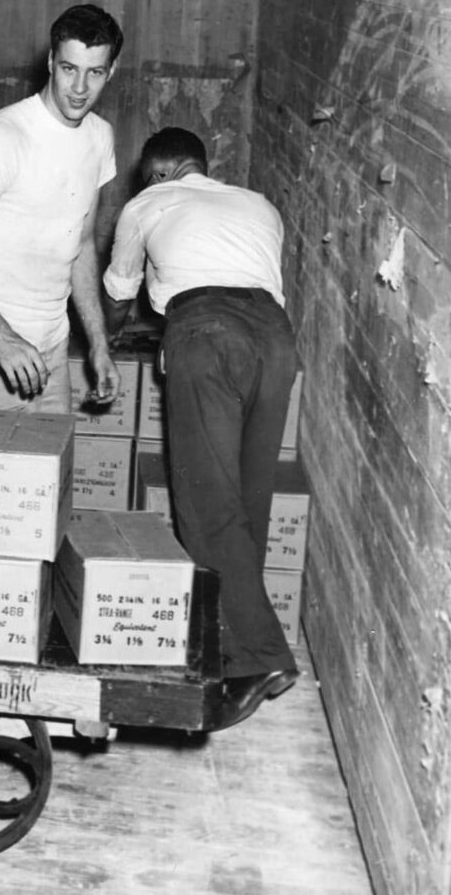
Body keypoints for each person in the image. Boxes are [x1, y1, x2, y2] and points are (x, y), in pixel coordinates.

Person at [103, 127, 299, 728]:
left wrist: (106, 343)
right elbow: (253, 280)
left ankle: (257, 659)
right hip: (275, 341)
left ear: (159, 174)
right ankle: (226, 641)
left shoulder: (145, 204)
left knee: (206, 503)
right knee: (247, 499)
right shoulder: (259, 204)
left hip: (205, 334)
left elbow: (118, 289)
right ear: (203, 167)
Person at [0, 3, 124, 438]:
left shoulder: (99, 137)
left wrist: (97, 343)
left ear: (111, 71)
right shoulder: (3, 138)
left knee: (44, 490)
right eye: (69, 68)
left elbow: (83, 246)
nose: (79, 87)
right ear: (50, 62)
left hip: (52, 348)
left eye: (95, 72)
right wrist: (2, 338)